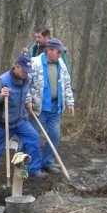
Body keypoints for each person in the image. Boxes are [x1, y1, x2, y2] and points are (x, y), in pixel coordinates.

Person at [0, 55, 46, 181]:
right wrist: (1, 95)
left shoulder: (26, 79)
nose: (25, 74)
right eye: (23, 71)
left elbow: (26, 93)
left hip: (20, 120)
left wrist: (28, 102)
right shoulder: (3, 80)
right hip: (4, 121)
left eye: (27, 71)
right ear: (16, 67)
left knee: (33, 138)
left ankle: (34, 169)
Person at [28, 38, 75, 174]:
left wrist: (70, 101)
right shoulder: (34, 63)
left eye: (60, 52)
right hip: (38, 108)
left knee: (54, 135)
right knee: (33, 137)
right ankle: (31, 165)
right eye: (58, 52)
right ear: (49, 51)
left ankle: (47, 162)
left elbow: (66, 83)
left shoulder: (61, 63)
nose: (60, 54)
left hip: (55, 108)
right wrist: (28, 100)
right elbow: (26, 83)